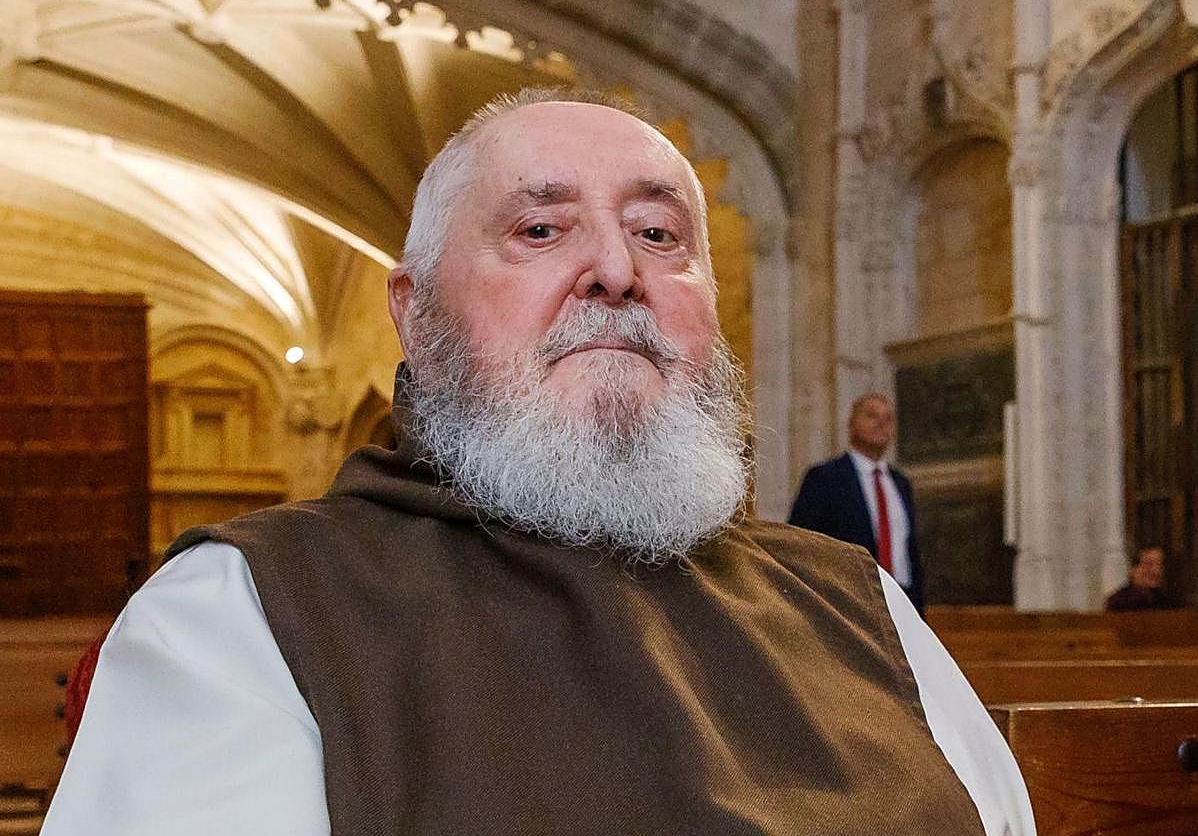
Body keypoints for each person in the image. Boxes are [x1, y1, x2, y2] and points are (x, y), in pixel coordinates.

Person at [41, 89, 1033, 836]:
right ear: (417, 318)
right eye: (540, 230)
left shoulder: (856, 604)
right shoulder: (241, 612)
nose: (616, 270)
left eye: (658, 234)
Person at [788, 394, 925, 613]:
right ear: (851, 423)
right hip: (848, 603)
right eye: (871, 415)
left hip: (902, 601)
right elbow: (800, 543)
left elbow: (909, 553)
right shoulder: (824, 478)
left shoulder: (901, 484)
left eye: (888, 419)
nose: (881, 423)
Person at [1105, 545, 1169, 611]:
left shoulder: (1164, 599)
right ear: (1133, 569)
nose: (1156, 571)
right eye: (1148, 564)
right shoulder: (1119, 601)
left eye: (1160, 565)